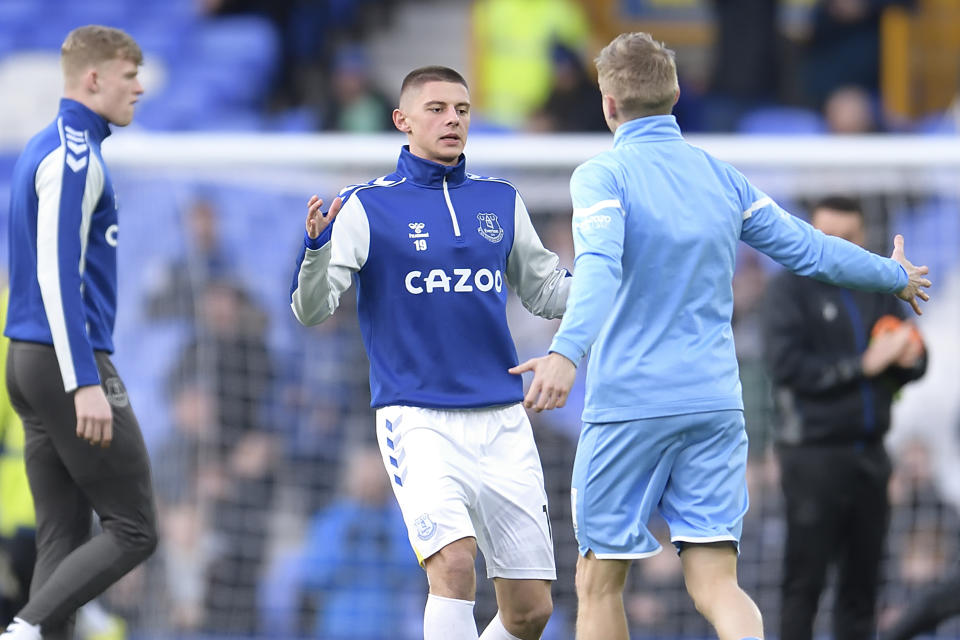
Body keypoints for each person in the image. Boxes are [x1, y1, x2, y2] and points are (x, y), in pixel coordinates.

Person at [509, 32, 931, 640]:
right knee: (717, 584)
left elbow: (598, 267)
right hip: (713, 404)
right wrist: (891, 273)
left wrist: (565, 353)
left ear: (606, 104)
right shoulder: (721, 179)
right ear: (677, 94)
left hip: (632, 403)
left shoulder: (602, 176)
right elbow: (809, 250)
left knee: (599, 582)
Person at [289, 65, 570, 640]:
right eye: (437, 108)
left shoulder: (501, 200)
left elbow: (546, 292)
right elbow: (312, 311)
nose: (452, 120)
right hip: (418, 417)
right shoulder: (367, 208)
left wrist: (609, 275)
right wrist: (317, 249)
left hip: (502, 418)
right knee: (455, 563)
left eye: (462, 110)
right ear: (403, 120)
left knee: (530, 611)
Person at [1, 25, 158, 640]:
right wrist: (84, 379)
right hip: (67, 361)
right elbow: (56, 273)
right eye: (128, 76)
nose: (139, 89)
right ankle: (26, 627)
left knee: (61, 539)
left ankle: (36, 628)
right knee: (134, 528)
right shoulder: (73, 155)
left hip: (30, 360)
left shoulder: (50, 144)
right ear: (94, 80)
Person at [762, 196, 927, 640]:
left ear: (863, 237)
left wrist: (911, 356)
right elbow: (786, 368)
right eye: (827, 237)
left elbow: (910, 359)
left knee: (863, 587)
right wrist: (864, 365)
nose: (838, 247)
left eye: (848, 238)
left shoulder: (877, 287)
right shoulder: (788, 289)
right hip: (812, 457)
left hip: (871, 456)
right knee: (804, 584)